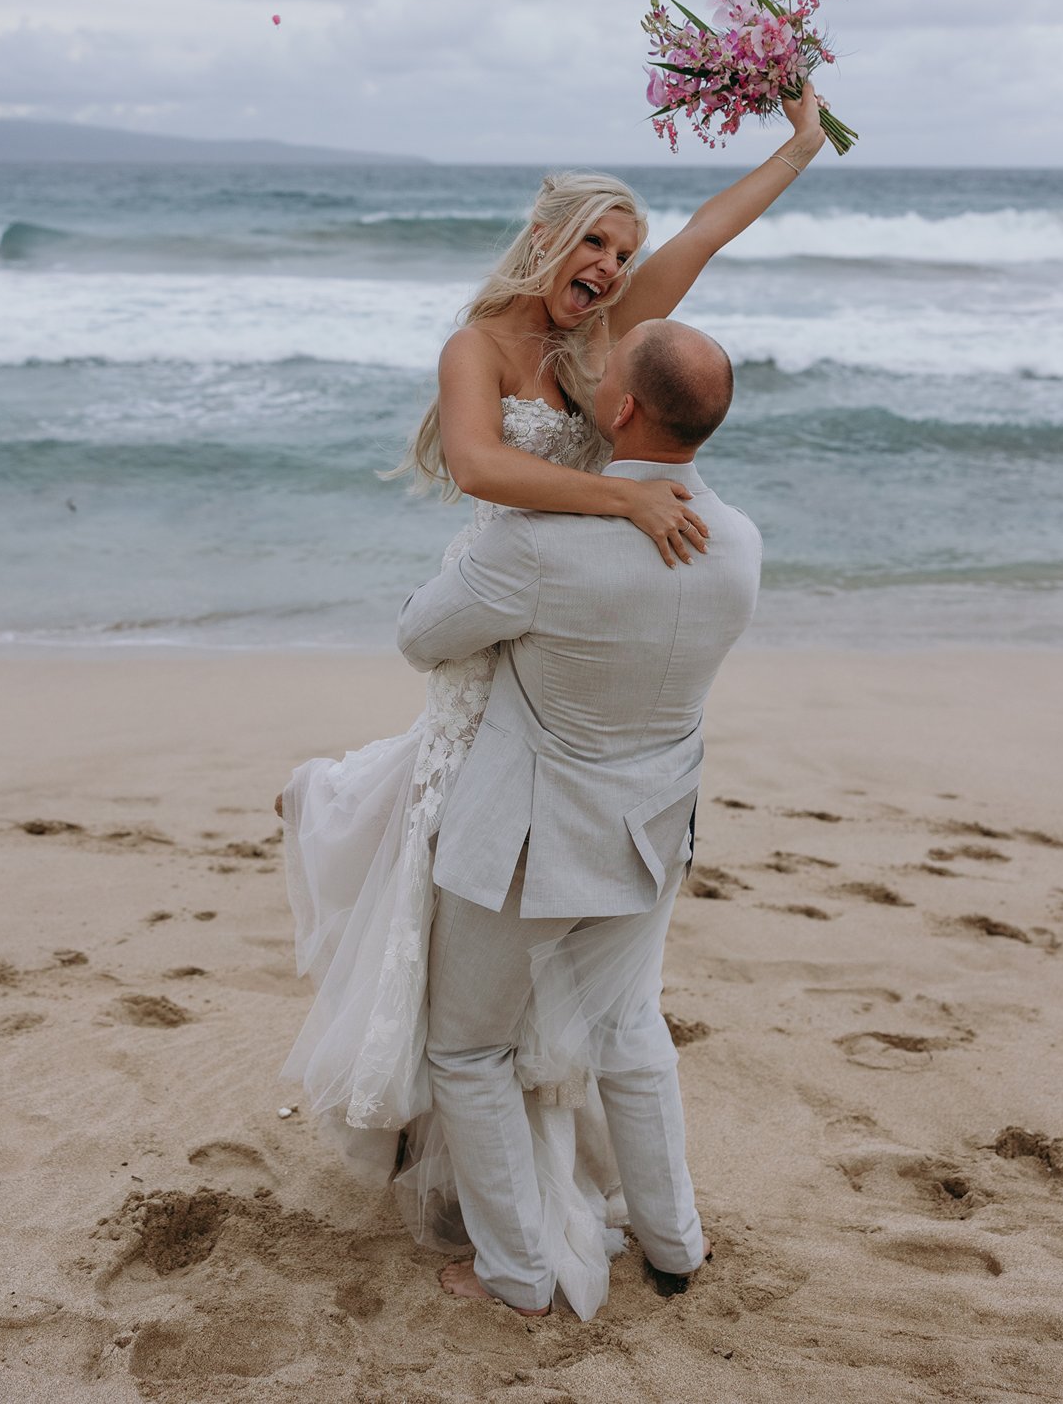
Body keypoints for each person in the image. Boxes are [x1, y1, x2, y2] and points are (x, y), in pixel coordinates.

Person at [275, 91, 825, 1316]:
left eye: (627, 256)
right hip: (524, 610)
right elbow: (479, 466)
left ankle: (514, 1237)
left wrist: (795, 143)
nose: (616, 271)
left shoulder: (619, 333)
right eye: (597, 247)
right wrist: (623, 502)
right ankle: (585, 1205)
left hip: (547, 618)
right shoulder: (478, 343)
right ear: (547, 239)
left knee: (484, 956)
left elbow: (713, 234)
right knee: (440, 859)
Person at [397, 320, 761, 1316]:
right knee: (631, 1029)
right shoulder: (741, 544)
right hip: (654, 832)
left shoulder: (537, 544)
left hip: (527, 843)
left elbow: (421, 638)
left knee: (468, 1051)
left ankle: (514, 1275)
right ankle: (674, 1242)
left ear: (624, 410)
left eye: (614, 364)